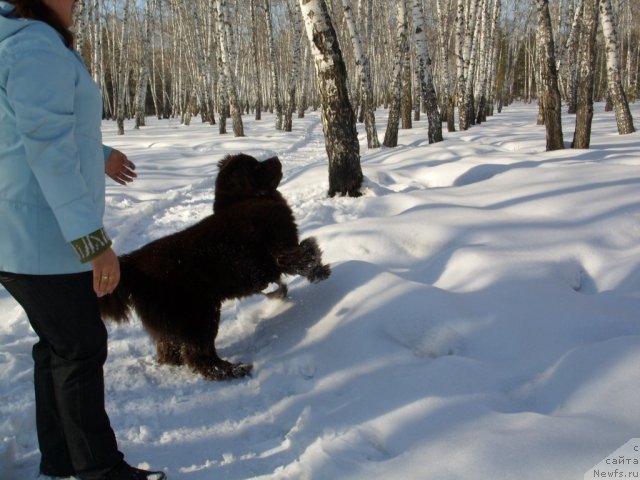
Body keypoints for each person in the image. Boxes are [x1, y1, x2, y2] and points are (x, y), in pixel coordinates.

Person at [0, 1, 166, 479]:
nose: (79, 2)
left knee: (58, 346)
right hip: (42, 239)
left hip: (26, 235)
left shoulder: (25, 41)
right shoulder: (34, 46)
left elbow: (35, 131)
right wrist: (93, 242)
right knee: (79, 347)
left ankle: (61, 461)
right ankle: (99, 471)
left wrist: (103, 153)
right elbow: (48, 150)